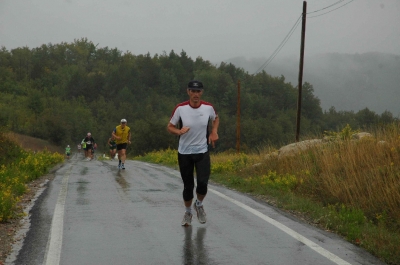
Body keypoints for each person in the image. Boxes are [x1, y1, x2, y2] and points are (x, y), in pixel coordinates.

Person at [167, 80, 219, 226]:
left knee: (202, 183)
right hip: (184, 152)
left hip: (202, 150)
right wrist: (178, 131)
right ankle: (188, 212)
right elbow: (170, 126)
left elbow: (216, 119)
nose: (195, 94)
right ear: (188, 92)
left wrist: (214, 131)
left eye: (198, 91)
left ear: (201, 92)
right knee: (188, 186)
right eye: (193, 91)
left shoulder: (208, 107)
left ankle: (199, 204)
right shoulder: (180, 108)